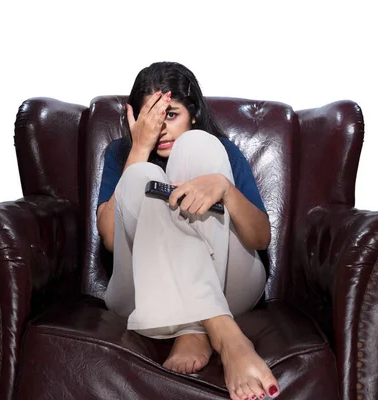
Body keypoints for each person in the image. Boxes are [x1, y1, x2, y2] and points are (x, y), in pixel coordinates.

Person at [96, 62, 280, 400]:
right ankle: (222, 335)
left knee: (199, 146)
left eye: (170, 114)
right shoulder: (120, 154)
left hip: (230, 285)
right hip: (142, 290)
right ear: (134, 118)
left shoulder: (221, 151)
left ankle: (194, 326)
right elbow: (109, 239)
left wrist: (224, 188)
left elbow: (260, 240)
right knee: (140, 177)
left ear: (192, 113)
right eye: (151, 116)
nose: (160, 128)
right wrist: (139, 149)